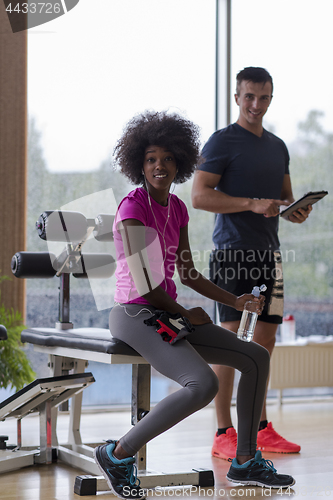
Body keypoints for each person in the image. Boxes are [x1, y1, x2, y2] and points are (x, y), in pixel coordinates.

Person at [93, 110, 295, 499]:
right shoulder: (132, 207)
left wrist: (234, 299)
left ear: (180, 163)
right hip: (134, 312)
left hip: (166, 309)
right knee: (203, 383)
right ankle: (117, 454)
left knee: (255, 356)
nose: (159, 166)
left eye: (168, 159)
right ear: (139, 163)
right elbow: (145, 285)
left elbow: (187, 273)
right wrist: (186, 313)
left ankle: (246, 460)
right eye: (151, 159)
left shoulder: (178, 208)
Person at [191, 67, 312, 461]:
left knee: (265, 341)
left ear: (271, 99)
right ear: (237, 98)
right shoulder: (222, 141)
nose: (256, 105)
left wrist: (294, 211)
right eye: (249, 97)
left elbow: (284, 198)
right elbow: (199, 196)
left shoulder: (278, 146)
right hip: (232, 254)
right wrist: (249, 203)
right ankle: (223, 431)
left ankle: (259, 428)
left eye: (263, 98)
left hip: (269, 254)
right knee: (231, 343)